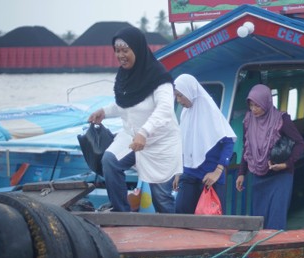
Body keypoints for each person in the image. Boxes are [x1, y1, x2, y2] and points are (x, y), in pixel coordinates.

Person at [88, 26, 182, 213]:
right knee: (109, 161)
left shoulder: (158, 76)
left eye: (125, 50)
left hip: (159, 140)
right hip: (132, 135)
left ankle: (174, 234)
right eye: (117, 50)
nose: (121, 55)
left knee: (161, 198)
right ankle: (122, 214)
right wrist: (104, 112)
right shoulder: (125, 75)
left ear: (137, 49)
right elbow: (126, 104)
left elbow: (165, 109)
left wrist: (144, 132)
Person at [235, 84, 304, 230]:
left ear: (266, 103)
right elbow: (246, 147)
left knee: (276, 217)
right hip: (258, 175)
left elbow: (300, 143)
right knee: (259, 219)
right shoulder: (248, 120)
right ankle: (258, 251)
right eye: (251, 105)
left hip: (280, 175)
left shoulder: (281, 120)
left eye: (258, 106)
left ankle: (273, 249)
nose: (254, 109)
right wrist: (242, 173)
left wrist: (287, 164)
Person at [173, 74, 237, 214]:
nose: (179, 101)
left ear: (190, 91)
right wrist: (178, 171)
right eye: (176, 96)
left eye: (180, 95)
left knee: (210, 222)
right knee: (181, 214)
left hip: (210, 177)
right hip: (189, 173)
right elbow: (183, 143)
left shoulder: (210, 111)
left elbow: (228, 141)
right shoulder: (185, 113)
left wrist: (217, 172)